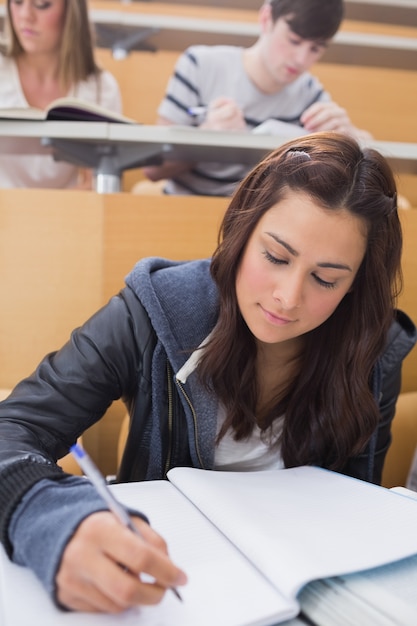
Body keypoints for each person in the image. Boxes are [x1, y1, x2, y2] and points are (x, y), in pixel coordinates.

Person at [0, 132, 415, 613]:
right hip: (169, 593)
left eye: (326, 279)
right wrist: (52, 516)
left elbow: (356, 512)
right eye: (276, 257)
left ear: (355, 286)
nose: (288, 296)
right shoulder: (154, 309)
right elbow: (14, 428)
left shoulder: (375, 350)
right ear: (242, 232)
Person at [142, 0, 372, 196]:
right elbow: (152, 168)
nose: (301, 59)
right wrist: (206, 140)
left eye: (315, 49)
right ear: (266, 19)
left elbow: (369, 156)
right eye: (293, 41)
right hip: (181, 215)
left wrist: (350, 137)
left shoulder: (309, 92)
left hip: (250, 228)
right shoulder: (200, 65)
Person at [0, 0, 122, 189]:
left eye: (41, 4)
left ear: (71, 12)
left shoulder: (101, 87)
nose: (25, 15)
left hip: (68, 213)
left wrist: (51, 212)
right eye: (17, 2)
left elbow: (97, 182)